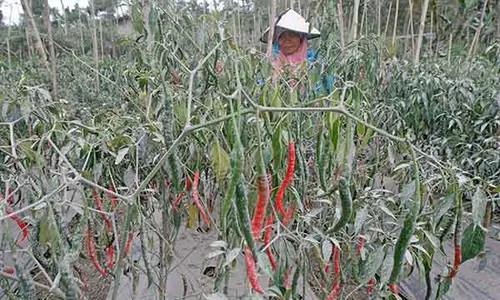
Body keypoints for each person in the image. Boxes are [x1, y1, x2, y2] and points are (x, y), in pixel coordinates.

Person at [259, 9, 334, 94]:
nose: (287, 40)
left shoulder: (316, 63)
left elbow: (327, 90)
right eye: (281, 37)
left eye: (292, 35)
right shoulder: (270, 66)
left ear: (301, 38)